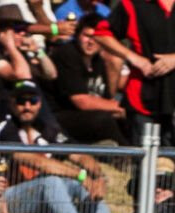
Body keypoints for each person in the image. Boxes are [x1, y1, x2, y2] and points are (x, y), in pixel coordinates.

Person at [0, 80, 117, 213]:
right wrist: (81, 175)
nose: (27, 106)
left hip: (43, 196)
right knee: (52, 181)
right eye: (21, 101)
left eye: (32, 101)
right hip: (10, 198)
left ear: (40, 103)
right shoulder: (6, 131)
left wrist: (97, 178)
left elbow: (79, 155)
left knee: (76, 183)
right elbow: (36, 162)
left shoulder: (47, 129)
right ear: (12, 103)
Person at [94, 0, 175, 139]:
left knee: (174, 158)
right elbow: (101, 33)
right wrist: (133, 57)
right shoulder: (132, 4)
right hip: (141, 98)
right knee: (143, 156)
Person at [44, 12, 128, 145]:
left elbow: (113, 94)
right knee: (104, 119)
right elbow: (81, 101)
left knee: (130, 118)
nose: (91, 42)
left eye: (96, 38)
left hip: (88, 116)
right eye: (87, 36)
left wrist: (114, 64)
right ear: (77, 36)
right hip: (60, 117)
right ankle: (132, 157)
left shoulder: (99, 59)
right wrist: (121, 107)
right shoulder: (67, 54)